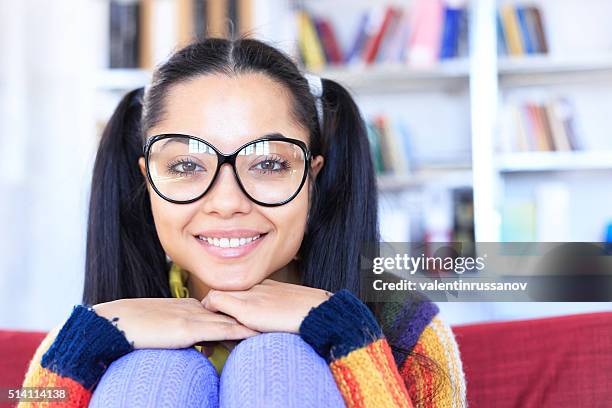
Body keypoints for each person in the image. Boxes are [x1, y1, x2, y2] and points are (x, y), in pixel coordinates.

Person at [19, 38, 466, 407]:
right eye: (185, 166)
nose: (227, 202)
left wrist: (345, 333)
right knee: (153, 368)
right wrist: (91, 341)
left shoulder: (403, 323)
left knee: (279, 359)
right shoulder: (92, 327)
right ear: (147, 180)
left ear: (311, 176)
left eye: (270, 164)